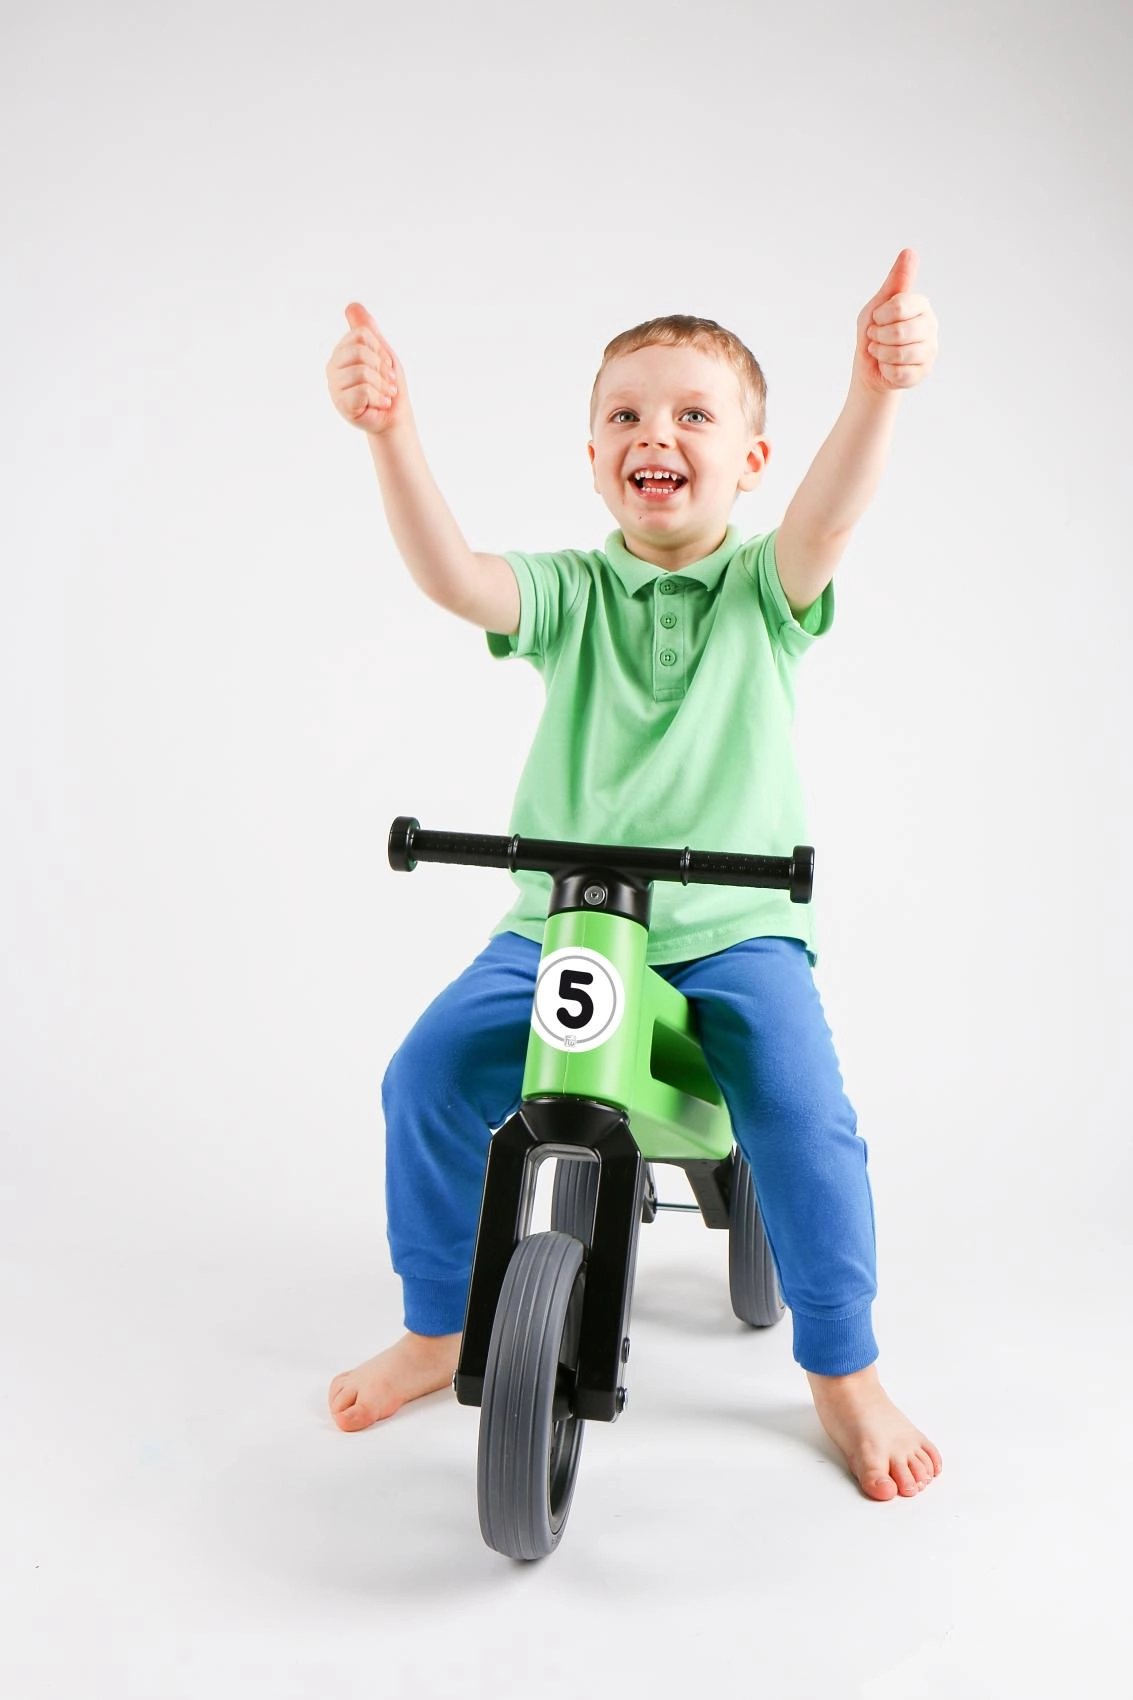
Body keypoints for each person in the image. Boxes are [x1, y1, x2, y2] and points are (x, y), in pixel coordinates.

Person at [323, 252, 942, 1501]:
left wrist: (874, 392)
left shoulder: (762, 590)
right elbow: (455, 576)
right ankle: (439, 1322)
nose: (654, 433)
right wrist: (390, 435)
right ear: (594, 454)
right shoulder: (568, 593)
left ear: (748, 460)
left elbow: (827, 517)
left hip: (730, 929)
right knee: (424, 1076)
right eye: (624, 415)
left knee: (801, 1116)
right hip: (558, 926)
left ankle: (843, 1367)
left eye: (691, 414)